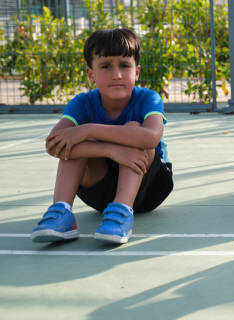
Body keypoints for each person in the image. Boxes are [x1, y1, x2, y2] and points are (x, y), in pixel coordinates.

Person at [31, 29, 173, 245]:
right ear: (91, 74)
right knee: (70, 142)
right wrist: (111, 150)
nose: (116, 74)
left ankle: (122, 213)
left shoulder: (148, 98)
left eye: (124, 65)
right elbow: (55, 145)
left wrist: (88, 131)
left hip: (149, 189)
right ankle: (61, 212)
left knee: (135, 129)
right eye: (106, 66)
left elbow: (151, 137)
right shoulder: (82, 103)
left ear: (137, 72)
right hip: (101, 193)